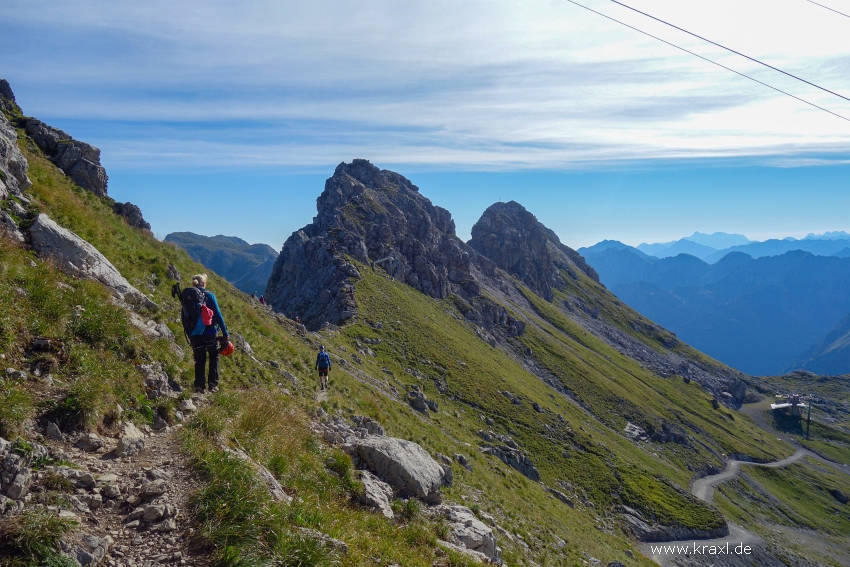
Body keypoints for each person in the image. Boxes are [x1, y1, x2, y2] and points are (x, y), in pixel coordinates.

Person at [189, 273, 228, 394]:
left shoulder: (188, 298)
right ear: (204, 284)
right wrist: (225, 333)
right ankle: (212, 385)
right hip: (209, 333)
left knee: (200, 359)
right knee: (214, 356)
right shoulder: (209, 296)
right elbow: (218, 315)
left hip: (194, 334)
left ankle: (199, 386)